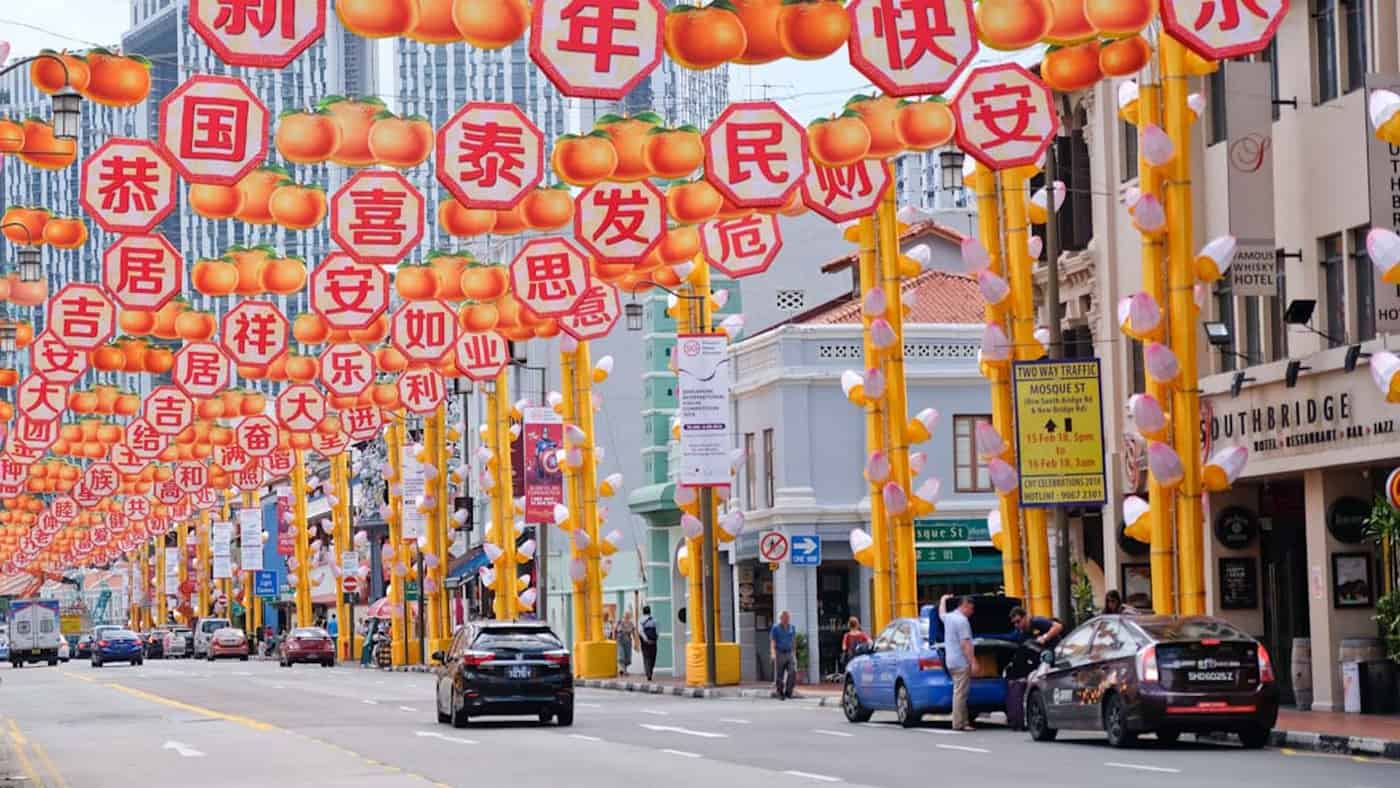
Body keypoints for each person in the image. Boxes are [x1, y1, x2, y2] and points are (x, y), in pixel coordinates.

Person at [939, 594, 977, 731]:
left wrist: (943, 599)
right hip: (961, 661)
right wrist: (973, 662)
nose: (972, 612)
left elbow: (941, 613)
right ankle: (959, 723)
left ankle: (963, 721)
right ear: (965, 606)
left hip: (951, 661)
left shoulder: (949, 617)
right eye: (971, 609)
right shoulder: (962, 621)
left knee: (959, 691)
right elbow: (965, 643)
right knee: (961, 693)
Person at [770, 610, 797, 700]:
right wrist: (773, 653)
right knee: (780, 675)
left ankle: (788, 692)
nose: (786, 619)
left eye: (788, 617)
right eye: (784, 617)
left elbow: (793, 640)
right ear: (780, 618)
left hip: (789, 653)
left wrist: (794, 653)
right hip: (780, 652)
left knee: (792, 672)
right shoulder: (775, 628)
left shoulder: (792, 627)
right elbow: (773, 641)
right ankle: (780, 692)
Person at [638, 605, 659, 681]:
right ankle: (650, 670)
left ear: (643, 612)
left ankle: (648, 673)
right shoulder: (654, 619)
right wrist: (656, 638)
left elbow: (640, 631)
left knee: (646, 657)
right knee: (653, 656)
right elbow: (657, 630)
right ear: (650, 611)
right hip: (653, 641)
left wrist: (645, 639)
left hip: (645, 642)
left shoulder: (641, 620)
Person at [616, 610, 636, 676]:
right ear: (623, 615)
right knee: (621, 655)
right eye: (625, 615)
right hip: (620, 640)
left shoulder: (631, 623)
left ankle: (625, 670)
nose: (626, 616)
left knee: (627, 657)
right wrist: (614, 638)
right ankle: (621, 669)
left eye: (628, 615)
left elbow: (633, 633)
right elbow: (614, 630)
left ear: (629, 616)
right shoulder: (619, 622)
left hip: (628, 641)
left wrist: (635, 641)